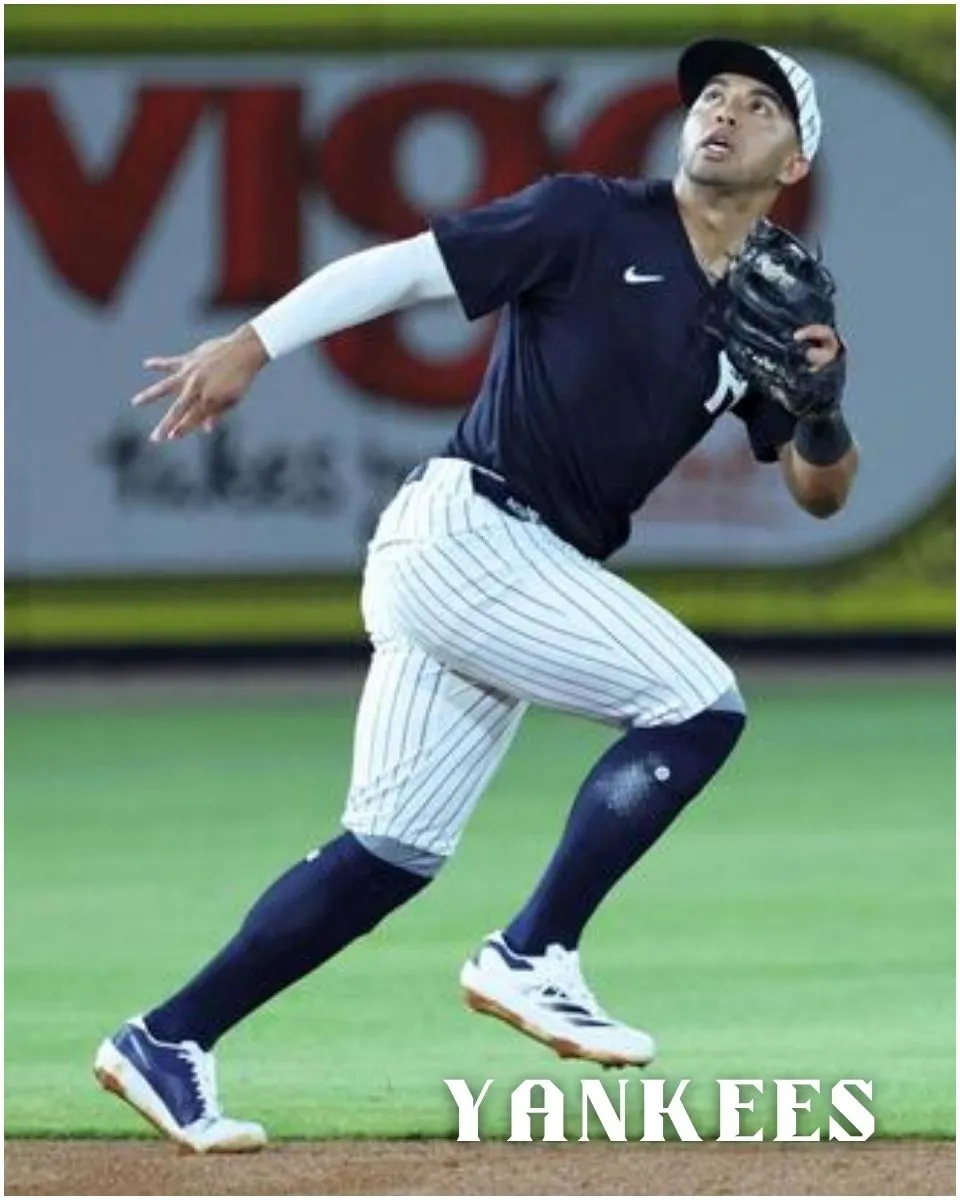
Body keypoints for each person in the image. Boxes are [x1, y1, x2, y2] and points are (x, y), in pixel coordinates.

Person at [94, 39, 858, 1152]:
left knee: (387, 853)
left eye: (759, 105)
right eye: (710, 96)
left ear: (794, 162)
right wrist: (255, 342)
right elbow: (403, 268)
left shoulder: (776, 293)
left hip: (508, 565)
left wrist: (825, 405)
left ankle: (167, 1039)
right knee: (701, 704)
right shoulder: (591, 218)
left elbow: (820, 492)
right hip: (472, 531)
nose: (723, 113)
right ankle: (534, 951)